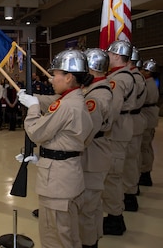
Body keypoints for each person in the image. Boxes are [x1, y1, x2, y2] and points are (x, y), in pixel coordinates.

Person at [17, 49, 93, 248]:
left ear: (68, 78)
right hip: (66, 174)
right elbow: (63, 139)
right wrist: (41, 158)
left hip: (58, 184)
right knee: (69, 235)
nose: (52, 79)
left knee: (55, 237)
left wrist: (33, 107)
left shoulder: (67, 106)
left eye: (56, 74)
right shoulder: (73, 99)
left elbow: (37, 132)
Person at [79, 48, 113, 248]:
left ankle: (88, 243)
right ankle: (93, 238)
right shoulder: (94, 89)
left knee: (87, 207)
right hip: (96, 152)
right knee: (94, 205)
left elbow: (85, 132)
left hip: (93, 155)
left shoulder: (96, 97)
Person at [102, 40, 136, 236]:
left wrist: (101, 127)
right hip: (121, 127)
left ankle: (115, 218)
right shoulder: (119, 75)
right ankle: (115, 214)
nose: (107, 56)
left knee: (112, 176)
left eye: (110, 53)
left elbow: (112, 109)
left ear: (116, 56)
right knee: (112, 174)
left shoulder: (119, 79)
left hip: (116, 129)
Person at [123, 47, 147, 211]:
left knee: (129, 161)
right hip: (132, 119)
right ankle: (131, 188)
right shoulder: (135, 76)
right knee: (131, 159)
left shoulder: (133, 78)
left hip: (129, 119)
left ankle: (130, 194)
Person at [139, 59, 160, 186]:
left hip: (148, 117)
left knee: (145, 147)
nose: (142, 72)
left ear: (150, 73)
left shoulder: (148, 84)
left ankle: (145, 173)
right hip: (148, 116)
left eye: (144, 70)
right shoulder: (148, 82)